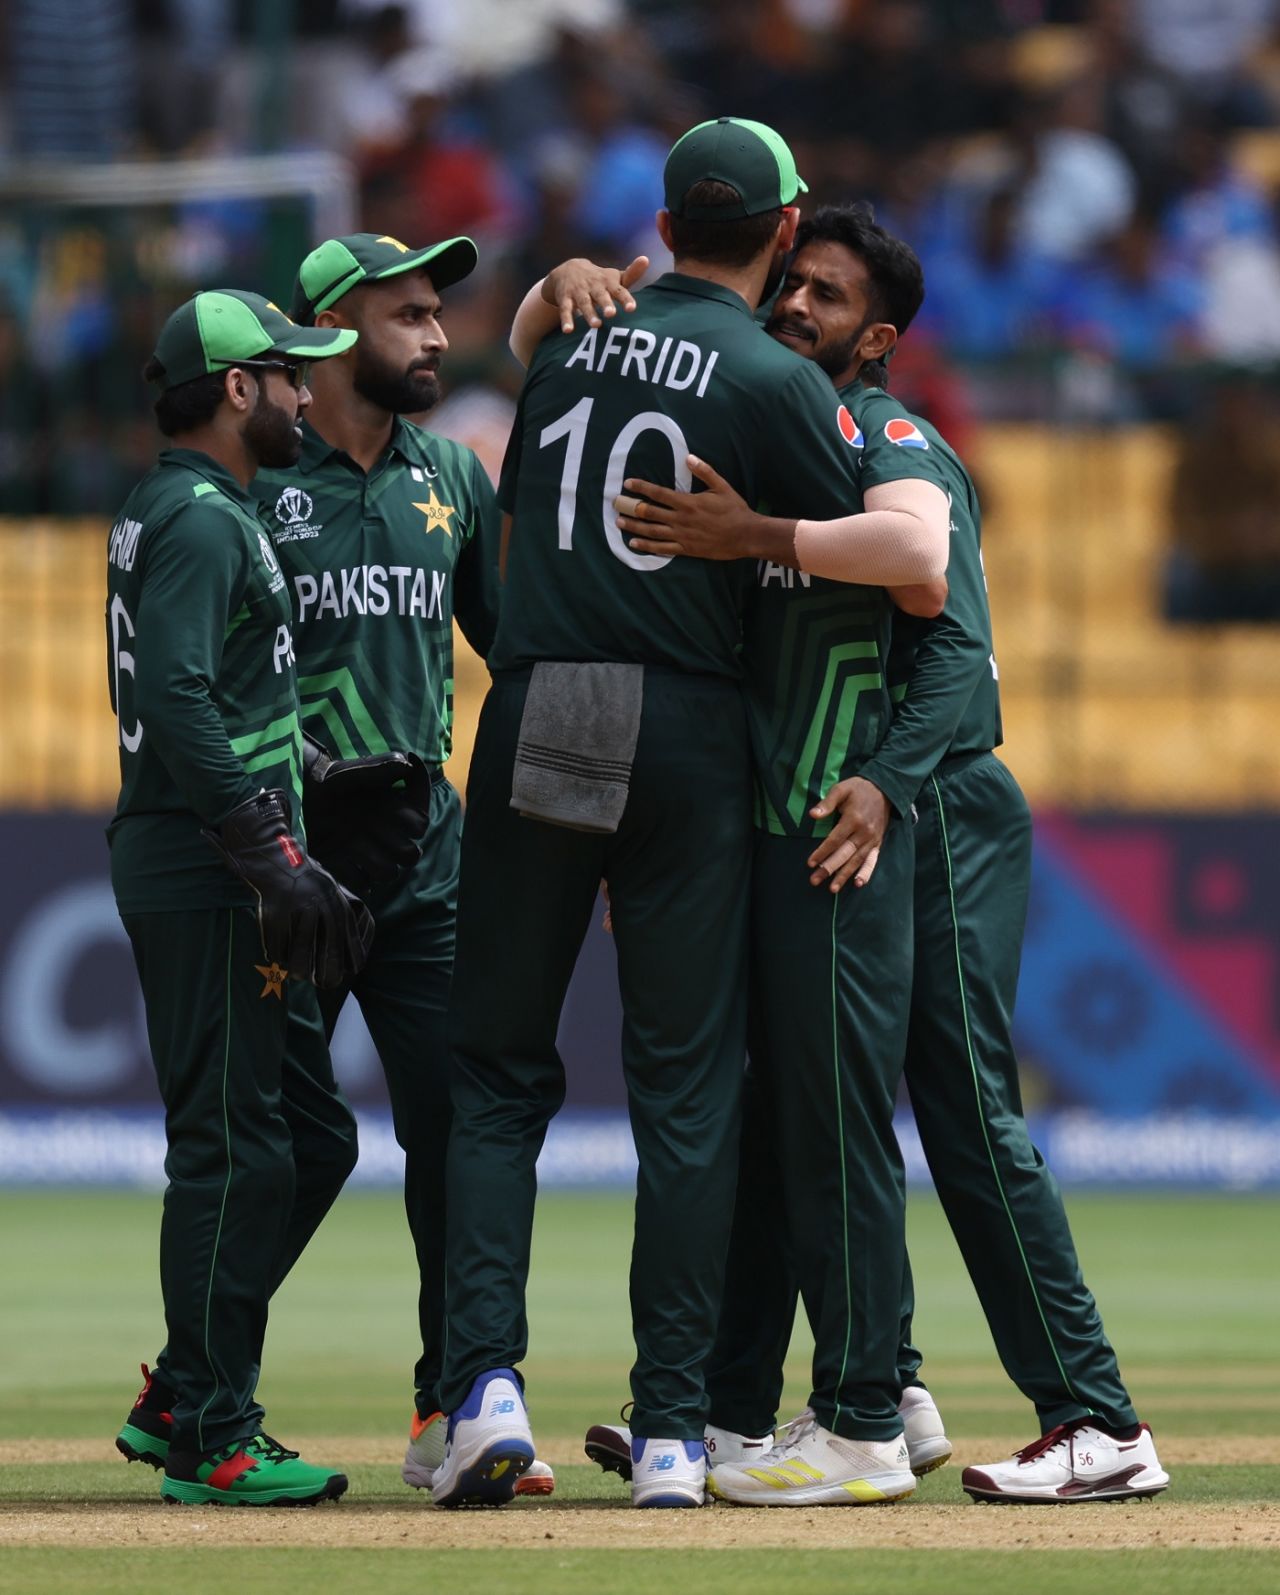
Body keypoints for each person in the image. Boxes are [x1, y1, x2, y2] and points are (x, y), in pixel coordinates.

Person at [589, 203, 1171, 1506]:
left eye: (829, 296)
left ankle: (1087, 1416)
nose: (797, 305)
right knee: (808, 1100)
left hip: (934, 807)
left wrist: (887, 787)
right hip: (840, 807)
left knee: (956, 1110)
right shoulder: (770, 447)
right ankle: (802, 1398)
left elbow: (955, 648)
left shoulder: (889, 438)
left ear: (880, 335)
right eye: (791, 283)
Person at [435, 118, 948, 1512]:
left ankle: (480, 1389)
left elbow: (531, 350)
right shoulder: (779, 376)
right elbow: (901, 541)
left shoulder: (561, 341)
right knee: (687, 1086)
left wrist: (559, 285)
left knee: (493, 1073)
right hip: (686, 723)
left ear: (659, 224)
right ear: (785, 233)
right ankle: (674, 1428)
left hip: (542, 699)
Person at [246, 233, 559, 1496]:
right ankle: (198, 1391)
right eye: (408, 315)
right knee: (266, 1143)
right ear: (327, 333)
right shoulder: (260, 487)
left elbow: (522, 652)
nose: (435, 337)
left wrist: (556, 831)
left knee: (462, 1128)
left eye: (440, 314)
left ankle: (457, 1403)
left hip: (427, 864)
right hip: (288, 868)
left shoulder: (450, 478)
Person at [108, 290, 372, 1506]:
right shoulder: (208, 519)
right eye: (288, 375)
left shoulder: (187, 508)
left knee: (311, 1139)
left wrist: (313, 773)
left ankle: (183, 1387)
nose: (307, 394)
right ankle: (213, 1426)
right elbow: (173, 692)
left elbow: (221, 690)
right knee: (234, 1151)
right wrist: (263, 845)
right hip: (210, 875)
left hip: (219, 857)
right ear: (234, 388)